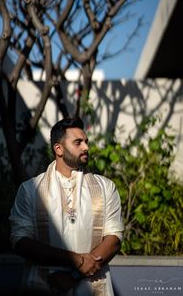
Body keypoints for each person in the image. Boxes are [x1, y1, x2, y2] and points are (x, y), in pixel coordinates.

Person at [9, 117, 124, 296]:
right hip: (44, 283)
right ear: (59, 149)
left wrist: (74, 274)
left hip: (91, 285)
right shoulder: (30, 190)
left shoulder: (105, 187)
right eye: (78, 142)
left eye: (86, 141)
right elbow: (20, 242)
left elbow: (114, 239)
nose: (86, 147)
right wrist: (76, 259)